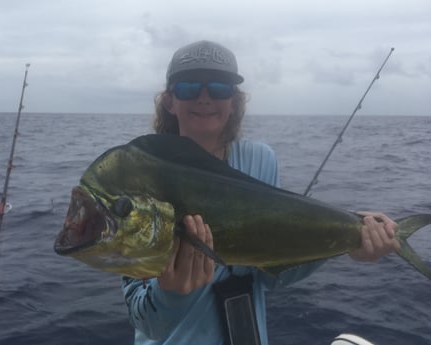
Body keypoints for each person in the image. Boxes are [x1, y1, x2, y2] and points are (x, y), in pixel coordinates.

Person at [122, 40, 400, 345]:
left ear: (234, 101)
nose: (204, 98)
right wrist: (171, 292)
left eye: (219, 87)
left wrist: (350, 241)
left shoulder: (259, 159)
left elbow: (270, 272)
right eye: (189, 87)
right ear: (170, 101)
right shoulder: (142, 175)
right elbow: (146, 323)